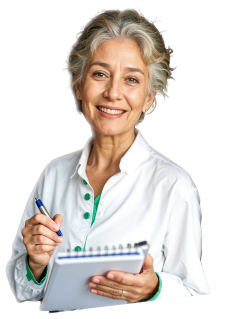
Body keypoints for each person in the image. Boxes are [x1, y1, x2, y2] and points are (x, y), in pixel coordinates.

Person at [6, 9, 210, 306]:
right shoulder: (53, 174)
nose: (113, 93)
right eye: (100, 74)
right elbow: (23, 291)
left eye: (131, 79)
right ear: (78, 84)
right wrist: (36, 264)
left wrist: (155, 290)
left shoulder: (175, 186)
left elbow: (195, 292)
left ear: (149, 97)